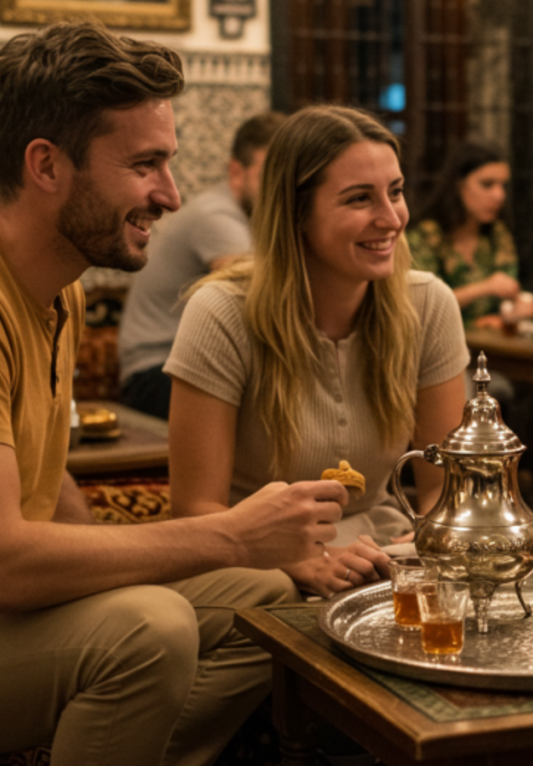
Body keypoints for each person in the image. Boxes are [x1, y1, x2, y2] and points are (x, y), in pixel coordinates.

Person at [0, 22, 345, 766]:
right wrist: (227, 535)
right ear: (46, 165)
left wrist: (237, 555)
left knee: (271, 602)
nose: (172, 195)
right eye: (145, 166)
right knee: (152, 629)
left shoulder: (55, 287)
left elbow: (48, 482)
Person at [166, 104, 469, 599]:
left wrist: (433, 536)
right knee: (280, 600)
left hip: (378, 548)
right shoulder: (220, 310)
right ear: (297, 212)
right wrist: (302, 559)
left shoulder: (428, 302)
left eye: (396, 192)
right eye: (359, 199)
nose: (391, 218)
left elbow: (443, 488)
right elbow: (197, 511)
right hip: (248, 560)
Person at [117, 110, 288, 418]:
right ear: (236, 172)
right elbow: (265, 303)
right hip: (155, 371)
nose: (281, 188)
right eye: (270, 174)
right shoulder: (215, 216)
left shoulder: (253, 217)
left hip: (182, 367)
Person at [407, 140, 533, 328]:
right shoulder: (424, 237)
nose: (499, 195)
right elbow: (420, 305)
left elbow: (508, 296)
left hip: (487, 348)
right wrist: (484, 288)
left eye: (503, 186)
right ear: (458, 185)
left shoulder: (495, 234)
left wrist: (515, 310)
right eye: (487, 184)